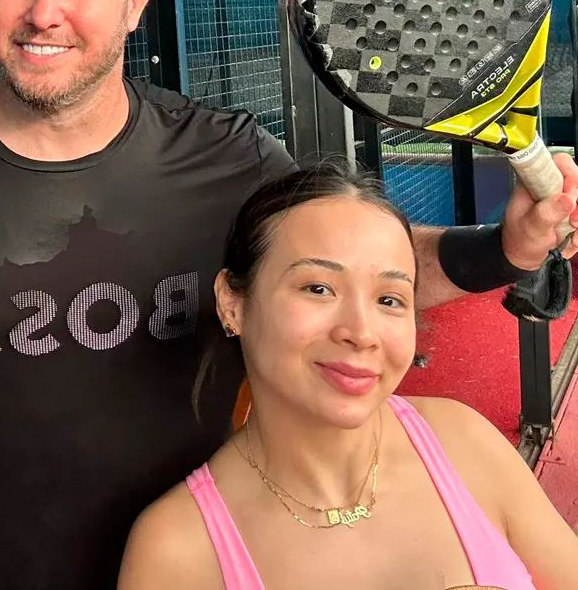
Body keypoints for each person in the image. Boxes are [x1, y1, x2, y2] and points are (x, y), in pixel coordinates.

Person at [0, 0, 578, 590]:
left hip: (208, 564)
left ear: (135, 2)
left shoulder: (226, 153)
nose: (45, 12)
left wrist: (504, 250)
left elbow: (352, 263)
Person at [118, 163, 578, 590]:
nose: (361, 333)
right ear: (233, 302)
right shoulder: (176, 549)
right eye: (318, 288)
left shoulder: (462, 440)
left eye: (390, 299)